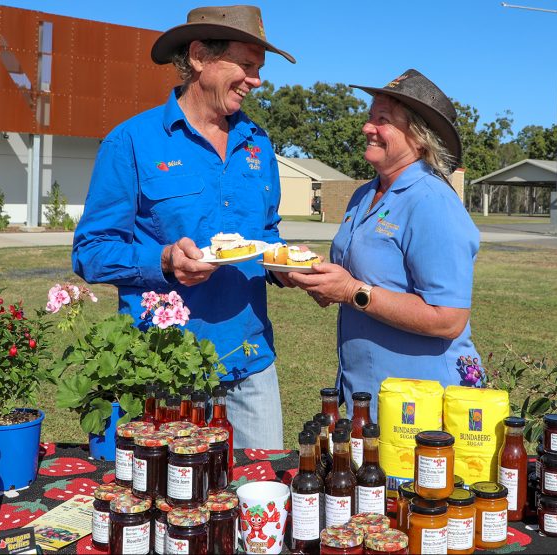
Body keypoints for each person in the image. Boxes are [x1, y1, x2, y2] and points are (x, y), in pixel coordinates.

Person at [71, 5, 295, 448]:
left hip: (248, 361)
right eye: (246, 66)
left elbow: (266, 232)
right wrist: (165, 260)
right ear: (198, 56)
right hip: (163, 369)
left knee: (257, 498)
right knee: (170, 506)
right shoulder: (132, 141)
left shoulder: (259, 144)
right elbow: (90, 251)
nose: (256, 80)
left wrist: (286, 264)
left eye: (259, 69)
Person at [290, 69, 481, 420]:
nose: (367, 128)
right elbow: (363, 278)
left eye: (383, 120)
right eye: (369, 117)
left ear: (419, 138)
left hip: (421, 404)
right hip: (367, 396)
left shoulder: (431, 200)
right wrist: (324, 281)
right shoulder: (364, 194)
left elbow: (449, 319)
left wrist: (352, 292)